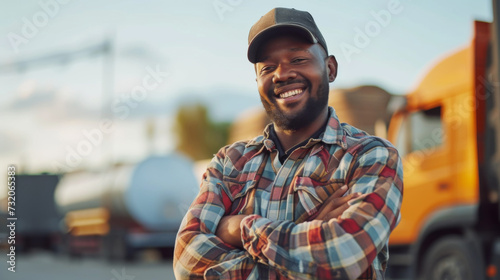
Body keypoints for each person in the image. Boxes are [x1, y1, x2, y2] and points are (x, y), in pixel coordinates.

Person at [173, 7, 403, 280]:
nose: (282, 74)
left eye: (298, 58)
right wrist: (309, 233)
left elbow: (341, 257)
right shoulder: (229, 162)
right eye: (268, 67)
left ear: (330, 68)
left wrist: (237, 228)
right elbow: (186, 262)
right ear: (257, 81)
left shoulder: (370, 156)